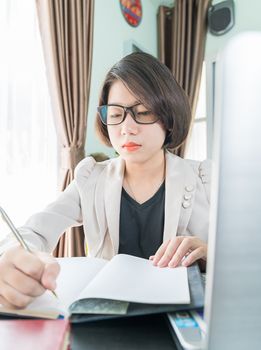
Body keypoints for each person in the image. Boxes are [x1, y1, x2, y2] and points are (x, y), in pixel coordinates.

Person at [0, 52, 210, 309]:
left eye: (143, 112)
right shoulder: (91, 178)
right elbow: (33, 231)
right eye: (115, 114)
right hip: (106, 318)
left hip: (177, 316)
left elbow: (245, 254)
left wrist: (211, 254)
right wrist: (14, 256)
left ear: (168, 117)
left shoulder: (204, 178)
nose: (127, 128)